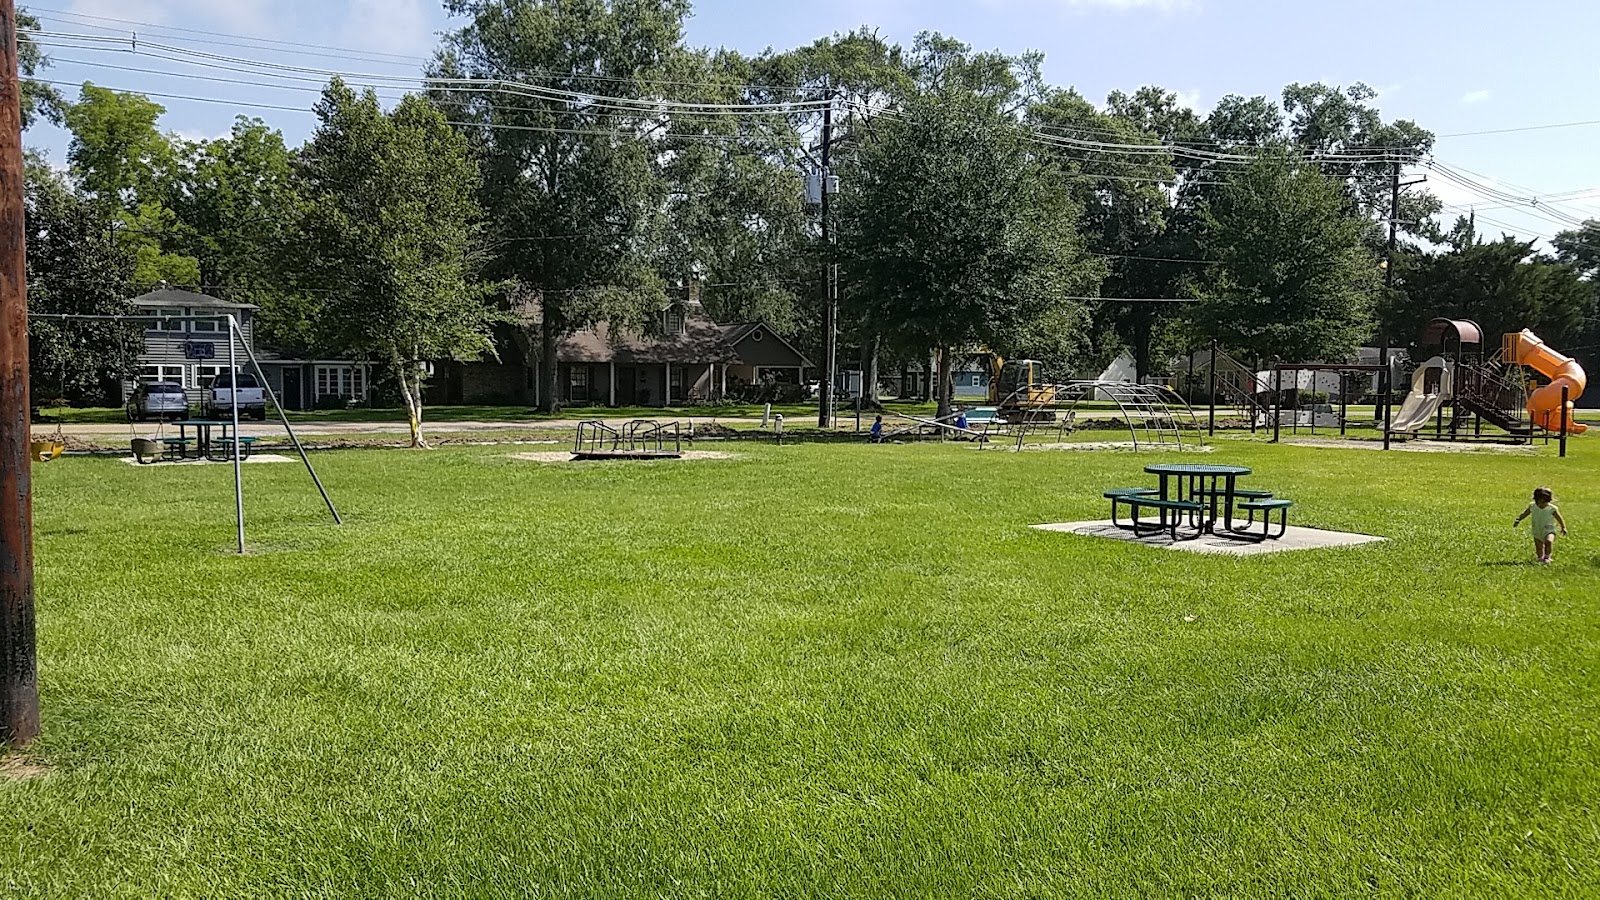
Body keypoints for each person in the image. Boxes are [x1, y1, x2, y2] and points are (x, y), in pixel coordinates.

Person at [1512, 486, 1569, 564]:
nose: (1541, 504)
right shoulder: (1533, 506)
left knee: (1548, 541)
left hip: (1549, 529)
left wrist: (1563, 527)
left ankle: (1547, 557)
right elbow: (1525, 513)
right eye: (1539, 502)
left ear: (1548, 500)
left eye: (1543, 502)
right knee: (1538, 547)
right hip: (1537, 529)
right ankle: (1539, 558)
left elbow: (1559, 518)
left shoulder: (1552, 508)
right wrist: (1518, 519)